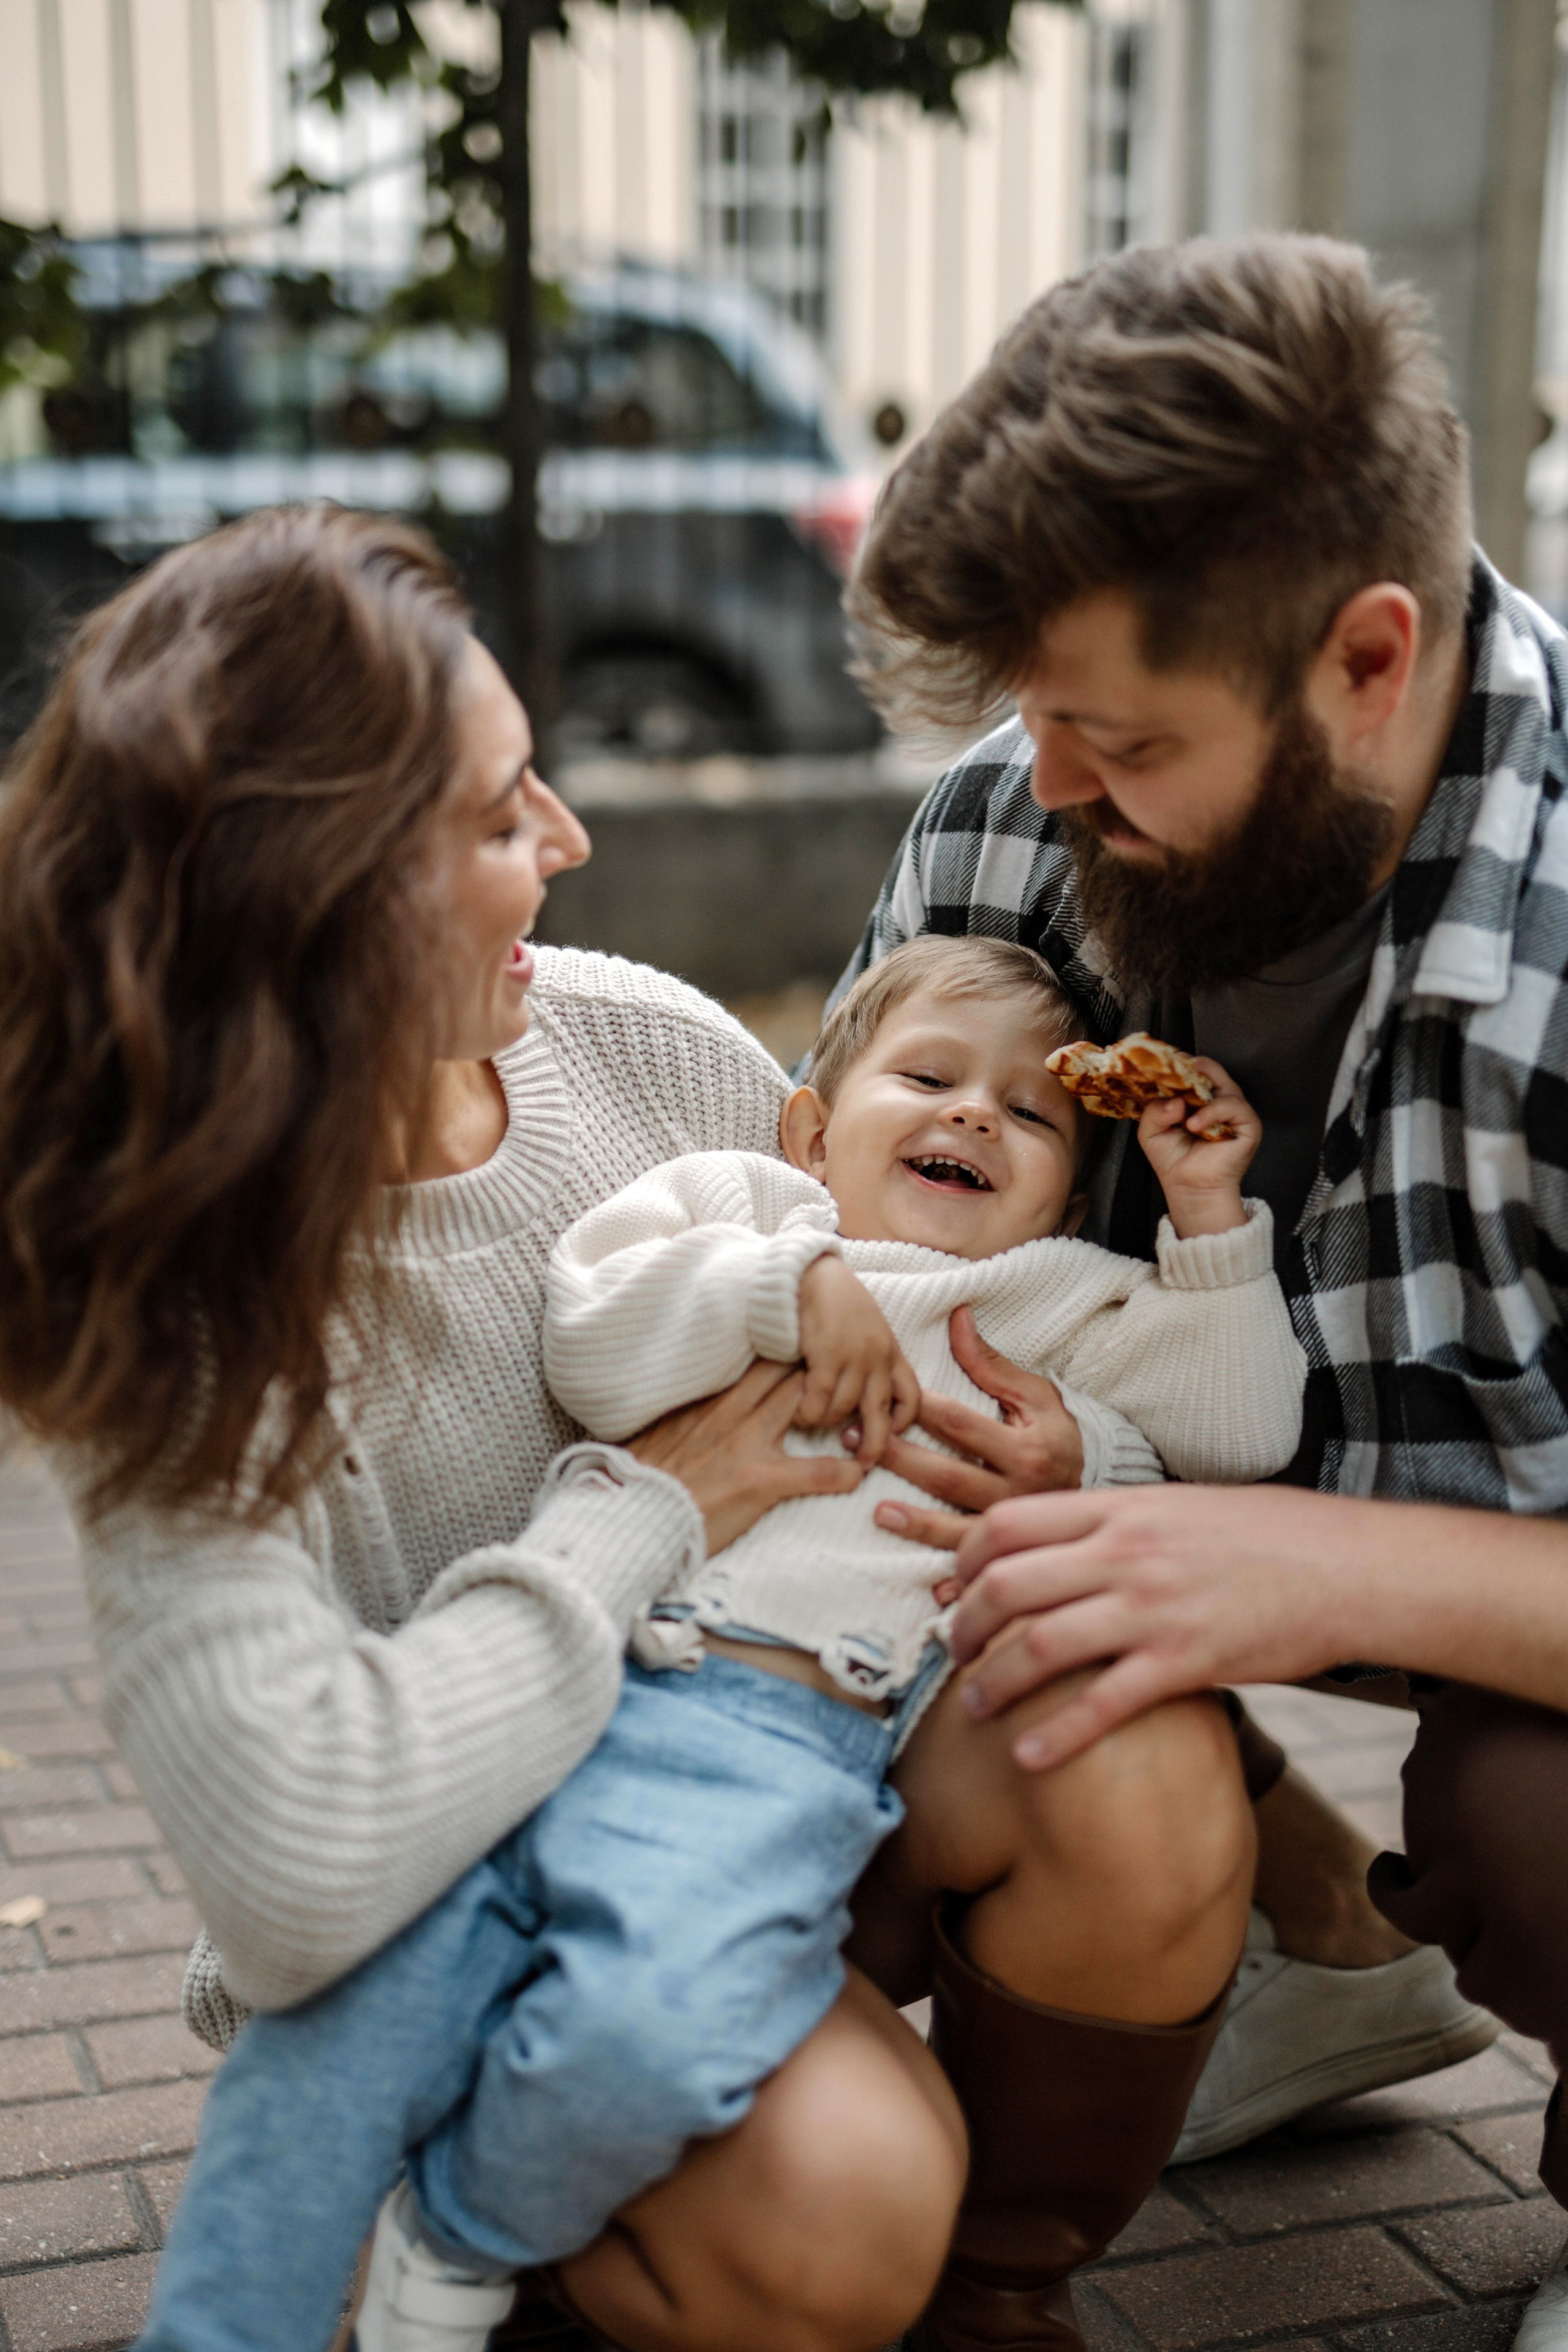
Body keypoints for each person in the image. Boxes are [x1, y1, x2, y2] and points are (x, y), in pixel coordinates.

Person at [0, 506, 968, 2352]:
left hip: (741, 1785)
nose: (572, 842)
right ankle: (453, 2215)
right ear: (322, 886)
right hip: (436, 1912)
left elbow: (913, 1341)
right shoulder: (175, 1307)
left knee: (1121, 1748)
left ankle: (989, 2293)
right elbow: (296, 1870)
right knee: (847, 2201)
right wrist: (641, 1508)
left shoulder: (645, 1050)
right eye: (502, 811)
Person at [132, 930, 1298, 2352]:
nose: (972, 1114)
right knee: (336, 2045)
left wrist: (1198, 1237)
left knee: (644, 2021)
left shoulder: (1054, 1300)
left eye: (1032, 1115)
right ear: (809, 1124)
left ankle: (467, 2232)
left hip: (768, 1757)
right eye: (925, 1075)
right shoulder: (740, 1208)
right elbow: (596, 1344)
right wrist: (777, 1288)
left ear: (1070, 1182)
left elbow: (1238, 1432)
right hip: (547, 1693)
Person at [825, 229, 1568, 2342]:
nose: (1049, 792)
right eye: (1034, 721)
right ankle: (1303, 1942)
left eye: (1120, 740)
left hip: (1492, 1593)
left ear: (1363, 659)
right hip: (1169, 1502)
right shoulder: (1016, 811)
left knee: (1538, 1822)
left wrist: (1307, 1568)